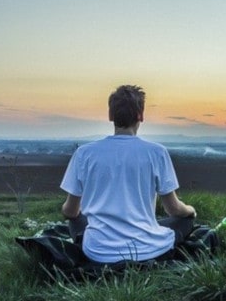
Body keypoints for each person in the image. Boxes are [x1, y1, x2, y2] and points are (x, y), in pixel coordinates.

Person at [60, 85, 196, 264]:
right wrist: (191, 210)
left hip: (98, 252)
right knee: (185, 221)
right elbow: (174, 209)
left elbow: (69, 211)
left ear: (110, 116)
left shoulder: (84, 153)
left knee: (75, 220)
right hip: (148, 250)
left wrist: (82, 215)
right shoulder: (157, 152)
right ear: (141, 115)